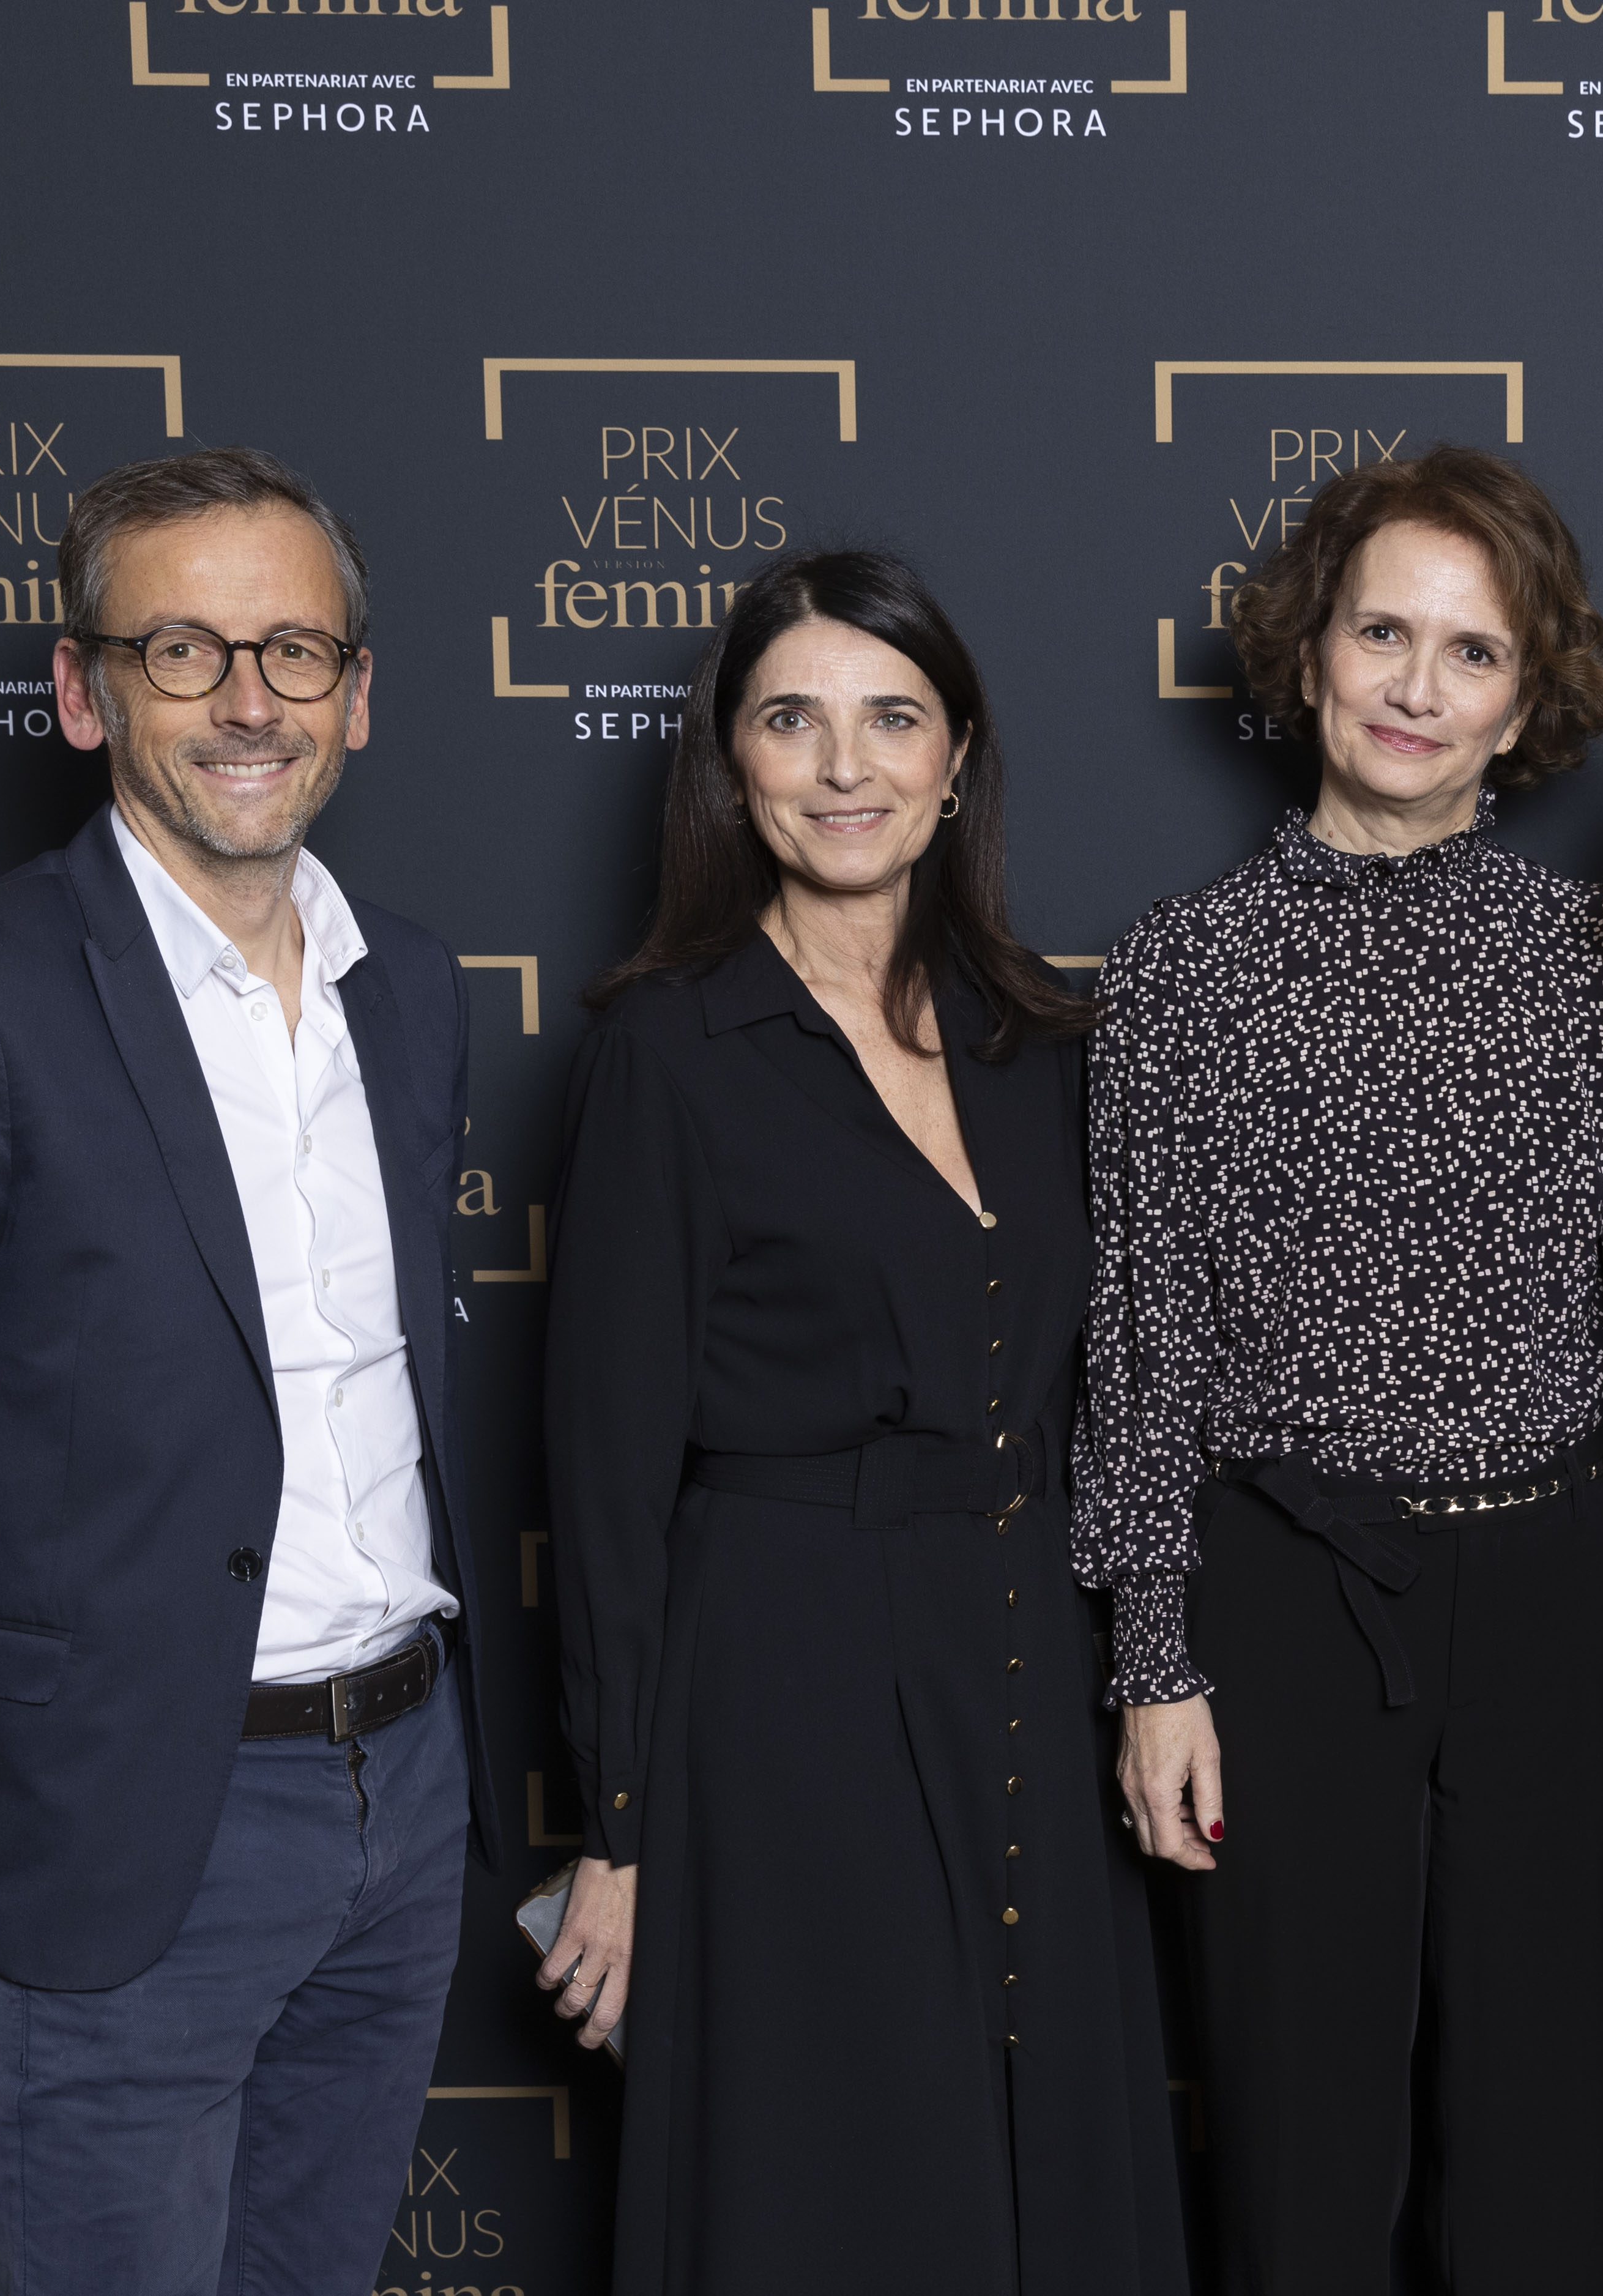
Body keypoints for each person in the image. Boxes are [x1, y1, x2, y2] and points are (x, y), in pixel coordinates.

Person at [0, 447, 503, 2294]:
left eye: (295, 651)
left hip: (404, 1793)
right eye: (183, 650)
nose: (249, 701)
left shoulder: (409, 981)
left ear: (358, 695)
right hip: (130, 1820)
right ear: (86, 694)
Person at [534, 550, 1186, 2295]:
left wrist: (1153, 1668)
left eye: (892, 719)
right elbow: (606, 1476)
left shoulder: (1044, 1037)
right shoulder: (667, 1050)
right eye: (791, 721)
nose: (845, 768)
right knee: (844, 2161)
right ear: (730, 763)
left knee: (1037, 2145)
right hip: (781, 1677)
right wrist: (618, 1832)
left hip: (1027, 1649)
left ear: (956, 758)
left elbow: (1126, 1387)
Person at [1079, 445, 1603, 2292]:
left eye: (1473, 653)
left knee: (1549, 2146)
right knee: (1302, 2144)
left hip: (1563, 1592)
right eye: (1382, 632)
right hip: (1293, 1594)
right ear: (1308, 654)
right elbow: (1146, 1332)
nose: (1418, 685)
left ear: (1526, 706)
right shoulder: (1181, 971)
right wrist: (1156, 1661)